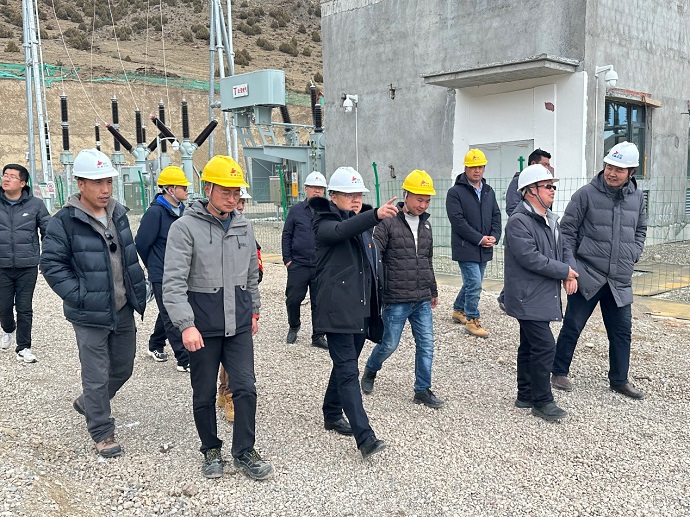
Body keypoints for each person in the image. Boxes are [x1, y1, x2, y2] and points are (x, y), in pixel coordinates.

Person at [163, 155, 273, 480]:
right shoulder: (184, 228)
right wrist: (186, 325)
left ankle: (244, 451)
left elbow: (251, 274)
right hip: (202, 327)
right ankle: (211, 448)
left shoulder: (243, 225)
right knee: (204, 392)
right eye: (226, 191)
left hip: (238, 325)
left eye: (236, 191)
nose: (232, 197)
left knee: (246, 388)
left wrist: (254, 310)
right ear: (208, 188)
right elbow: (173, 283)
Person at [40, 149, 147, 458]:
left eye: (108, 182)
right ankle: (102, 431)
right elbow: (51, 266)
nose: (105, 189)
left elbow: (127, 257)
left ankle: (88, 402)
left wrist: (137, 289)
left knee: (123, 368)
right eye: (98, 182)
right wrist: (80, 296)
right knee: (96, 374)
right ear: (81, 184)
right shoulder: (63, 222)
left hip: (122, 307)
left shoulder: (118, 214)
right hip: (89, 313)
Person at [310, 166, 398, 459]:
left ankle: (332, 412)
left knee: (344, 365)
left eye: (359, 194)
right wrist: (374, 216)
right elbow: (340, 231)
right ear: (333, 196)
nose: (356, 199)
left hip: (360, 310)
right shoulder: (323, 222)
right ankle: (365, 437)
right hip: (336, 311)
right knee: (348, 372)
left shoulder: (363, 227)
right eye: (349, 195)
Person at [551, 141, 647, 399]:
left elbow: (641, 229)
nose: (611, 173)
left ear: (631, 172)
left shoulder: (637, 198)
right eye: (609, 167)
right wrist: (571, 267)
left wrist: (634, 252)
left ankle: (619, 380)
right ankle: (559, 371)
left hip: (619, 278)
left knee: (622, 332)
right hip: (588, 273)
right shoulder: (585, 194)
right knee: (573, 325)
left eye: (619, 169)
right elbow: (567, 232)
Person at [360, 170, 444, 409]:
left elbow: (427, 260)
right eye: (419, 199)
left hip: (422, 298)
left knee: (426, 344)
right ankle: (371, 369)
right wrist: (377, 291)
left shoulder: (426, 226)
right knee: (389, 344)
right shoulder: (387, 222)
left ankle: (422, 390)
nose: (423, 205)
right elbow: (375, 255)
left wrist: (433, 290)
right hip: (396, 297)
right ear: (406, 195)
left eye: (427, 200)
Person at [504, 164, 578, 421]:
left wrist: (570, 272)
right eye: (547, 186)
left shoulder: (550, 219)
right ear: (530, 191)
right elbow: (530, 258)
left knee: (529, 345)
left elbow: (564, 247)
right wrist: (563, 271)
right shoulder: (518, 222)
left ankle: (525, 394)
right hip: (527, 296)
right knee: (545, 346)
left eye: (553, 186)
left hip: (539, 294)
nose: (552, 190)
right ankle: (542, 400)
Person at [135, 166, 191, 372]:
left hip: (181, 271)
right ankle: (184, 359)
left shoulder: (184, 211)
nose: (187, 191)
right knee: (170, 314)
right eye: (183, 187)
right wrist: (154, 266)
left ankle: (155, 344)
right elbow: (141, 242)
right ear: (170, 189)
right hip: (162, 273)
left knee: (171, 309)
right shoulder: (155, 213)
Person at [216, 186, 263, 423]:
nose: (239, 205)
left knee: (235, 354)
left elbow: (253, 267)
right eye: (237, 200)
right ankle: (227, 392)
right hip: (218, 299)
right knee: (226, 352)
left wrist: (254, 308)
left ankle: (228, 390)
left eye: (242, 201)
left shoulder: (245, 228)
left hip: (241, 300)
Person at [446, 148, 501, 338]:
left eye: (480, 166)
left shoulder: (488, 191)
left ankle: (458, 309)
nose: (477, 170)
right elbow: (458, 221)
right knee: (475, 284)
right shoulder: (455, 193)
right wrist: (479, 238)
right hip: (466, 247)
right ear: (465, 168)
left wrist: (494, 236)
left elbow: (496, 215)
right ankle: (472, 320)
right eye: (472, 167)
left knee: (472, 283)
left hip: (484, 247)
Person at [0, 163, 50, 363]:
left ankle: (24, 347)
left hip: (27, 265)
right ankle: (8, 328)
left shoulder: (36, 205)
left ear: (22, 183)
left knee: (24, 307)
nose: (6, 178)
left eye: (12, 176)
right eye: (5, 175)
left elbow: (48, 232)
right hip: (1, 265)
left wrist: (47, 256)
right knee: (3, 306)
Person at [498, 149, 553, 311]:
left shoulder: (545, 187)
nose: (548, 168)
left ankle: (512, 298)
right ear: (533, 164)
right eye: (544, 164)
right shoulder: (518, 183)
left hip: (540, 233)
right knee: (520, 268)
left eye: (549, 165)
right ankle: (507, 299)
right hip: (523, 235)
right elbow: (512, 207)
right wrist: (529, 222)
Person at [281, 171, 328, 348]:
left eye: (320, 188)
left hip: (321, 266)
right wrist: (288, 260)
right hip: (299, 264)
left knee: (320, 302)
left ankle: (318, 335)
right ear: (306, 189)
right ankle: (294, 326)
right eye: (313, 187)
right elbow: (287, 235)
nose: (317, 191)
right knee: (293, 299)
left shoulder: (329, 211)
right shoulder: (296, 211)